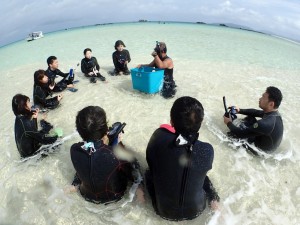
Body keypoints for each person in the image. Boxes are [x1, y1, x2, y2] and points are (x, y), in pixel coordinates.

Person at [145, 96, 220, 221]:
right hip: (197, 210)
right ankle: (215, 202)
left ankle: (141, 195)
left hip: (163, 210)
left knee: (148, 172)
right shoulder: (207, 150)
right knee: (203, 176)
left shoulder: (159, 137)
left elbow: (151, 163)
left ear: (172, 121)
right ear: (200, 124)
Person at [70, 106, 143, 204]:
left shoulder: (74, 149)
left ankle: (75, 185)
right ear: (106, 130)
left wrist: (104, 145)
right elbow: (132, 174)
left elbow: (92, 149)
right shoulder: (116, 155)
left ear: (79, 131)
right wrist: (119, 146)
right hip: (114, 198)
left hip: (86, 194)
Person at [223, 86, 283, 152]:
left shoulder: (266, 123)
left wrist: (228, 123)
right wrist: (239, 110)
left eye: (263, 97)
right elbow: (255, 112)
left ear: (271, 104)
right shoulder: (273, 113)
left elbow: (240, 134)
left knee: (230, 135)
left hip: (260, 152)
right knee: (250, 118)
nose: (260, 99)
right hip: (264, 140)